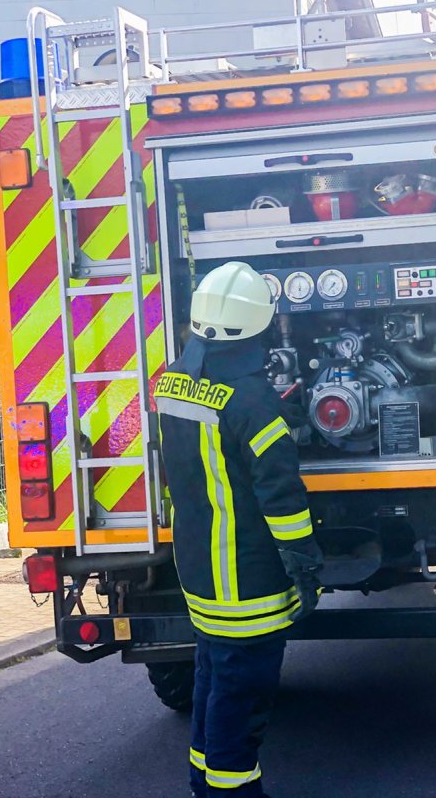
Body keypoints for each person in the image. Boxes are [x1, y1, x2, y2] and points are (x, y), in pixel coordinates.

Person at [154, 261, 323, 798]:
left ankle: (204, 781)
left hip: (201, 573)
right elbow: (282, 499)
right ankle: (231, 791)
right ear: (261, 325)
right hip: (246, 578)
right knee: (243, 694)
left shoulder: (174, 381)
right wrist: (305, 564)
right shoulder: (253, 404)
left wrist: (271, 412)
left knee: (213, 677)